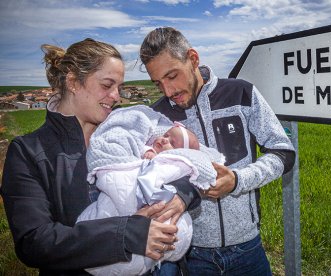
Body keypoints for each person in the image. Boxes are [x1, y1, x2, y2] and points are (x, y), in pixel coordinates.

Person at [0, 38, 200, 275]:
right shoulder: (29, 152)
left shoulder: (128, 130)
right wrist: (126, 234)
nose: (116, 96)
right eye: (107, 85)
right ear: (73, 82)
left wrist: (183, 194)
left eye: (119, 87)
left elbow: (185, 161)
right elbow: (34, 242)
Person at [139, 27, 296, 275]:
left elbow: (283, 153)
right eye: (158, 83)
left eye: (172, 76)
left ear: (192, 58)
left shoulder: (241, 93)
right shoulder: (157, 116)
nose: (168, 91)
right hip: (192, 255)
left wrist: (237, 180)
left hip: (248, 248)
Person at [77, 105, 224, 275]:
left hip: (156, 209)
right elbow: (134, 156)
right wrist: (147, 153)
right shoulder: (147, 146)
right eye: (166, 135)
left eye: (172, 142)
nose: (164, 140)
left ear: (181, 152)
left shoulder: (175, 161)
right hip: (128, 214)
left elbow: (179, 174)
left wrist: (182, 192)